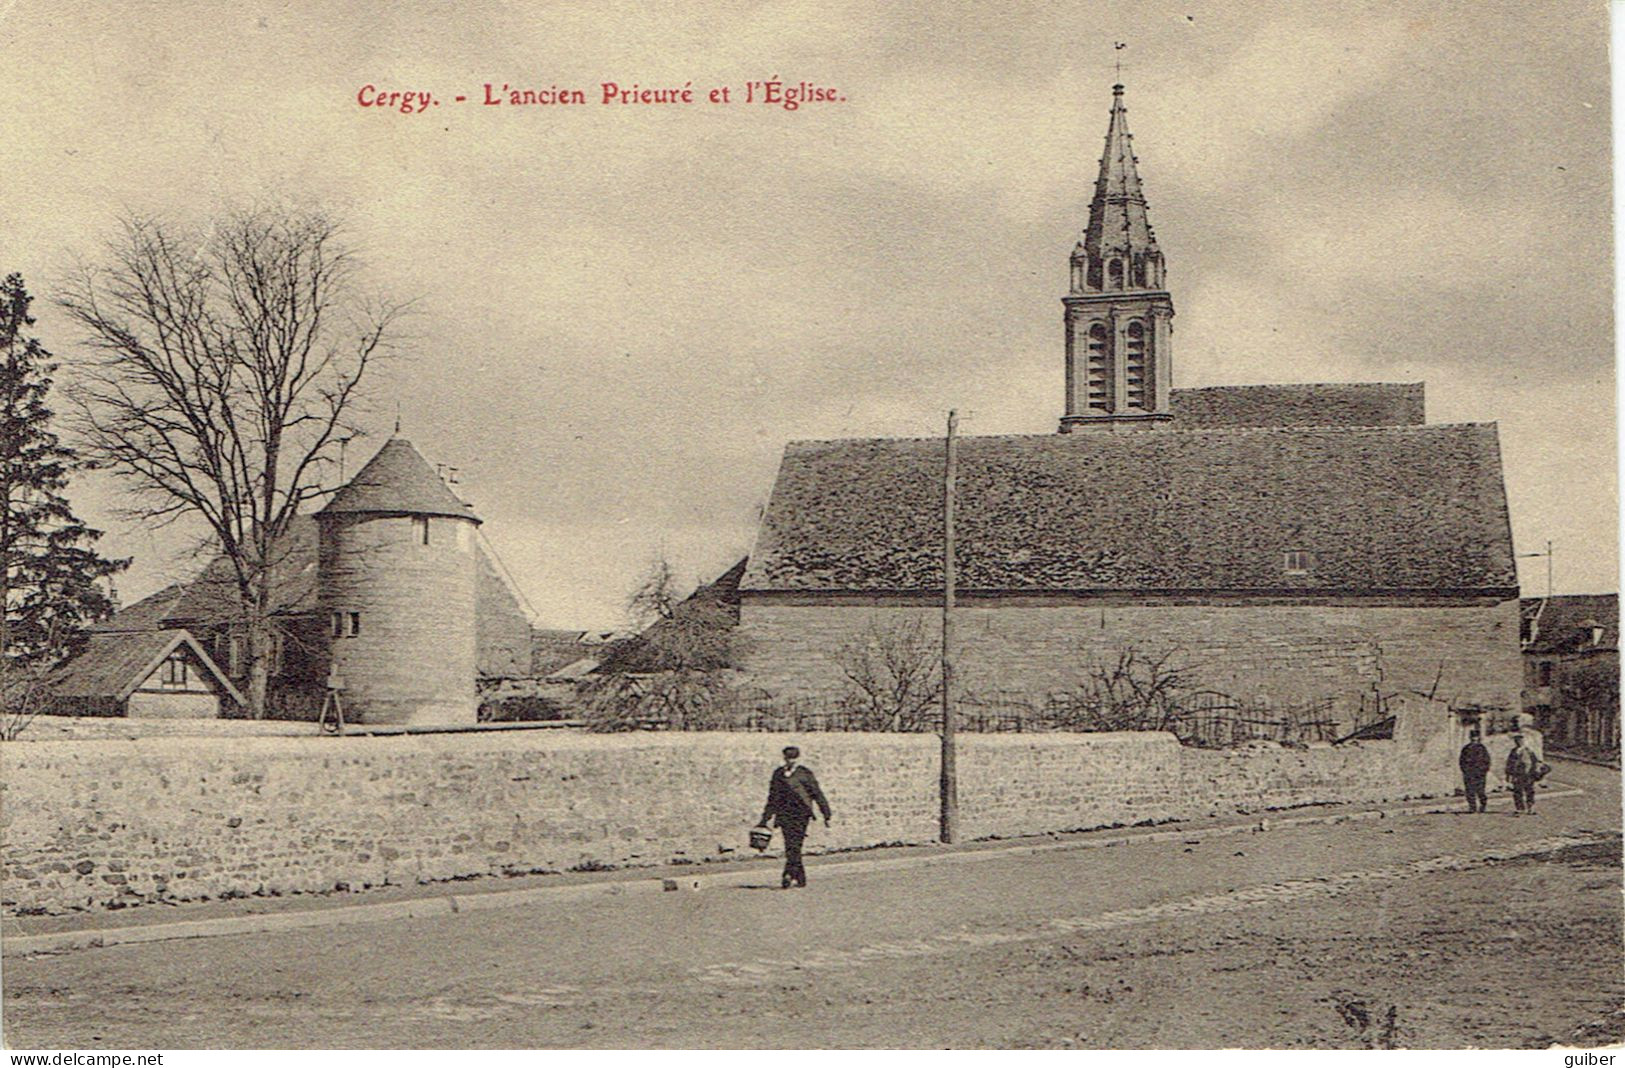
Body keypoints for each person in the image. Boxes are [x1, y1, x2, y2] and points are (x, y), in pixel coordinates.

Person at [757, 745, 832, 888]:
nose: (790, 761)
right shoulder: (778, 774)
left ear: (798, 758)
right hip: (784, 814)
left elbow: (817, 793)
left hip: (801, 814)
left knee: (795, 845)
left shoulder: (805, 773)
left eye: (793, 758)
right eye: (788, 758)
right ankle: (800, 877)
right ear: (784, 758)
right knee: (790, 845)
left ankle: (788, 874)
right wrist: (765, 818)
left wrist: (826, 813)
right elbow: (773, 797)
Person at [1505, 732, 1542, 815]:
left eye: (1520, 740)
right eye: (1517, 741)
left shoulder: (1529, 751)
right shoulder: (1513, 751)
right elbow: (1509, 763)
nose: (1519, 742)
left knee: (1530, 791)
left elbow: (1536, 761)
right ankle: (1519, 808)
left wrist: (1536, 770)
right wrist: (1508, 775)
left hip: (1528, 774)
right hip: (1517, 774)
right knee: (1517, 791)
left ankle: (1530, 808)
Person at [1459, 728, 1491, 813]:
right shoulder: (1466, 748)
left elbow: (1487, 760)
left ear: (1478, 738)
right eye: (1472, 737)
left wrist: (1484, 770)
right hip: (1469, 773)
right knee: (1469, 790)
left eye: (1475, 737)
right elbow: (1461, 760)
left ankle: (1483, 805)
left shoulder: (1482, 748)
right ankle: (1472, 807)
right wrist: (1464, 770)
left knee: (1480, 790)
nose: (1474, 739)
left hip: (1480, 773)